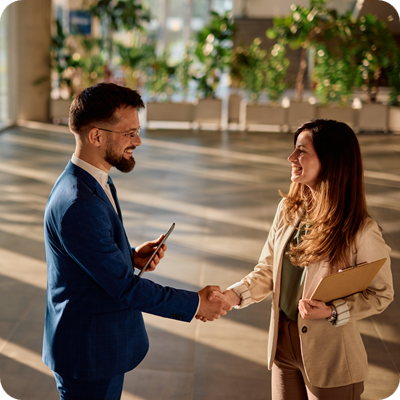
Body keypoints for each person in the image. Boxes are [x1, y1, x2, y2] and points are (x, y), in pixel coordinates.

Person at [42, 82, 232, 400]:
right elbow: (125, 289)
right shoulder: (79, 203)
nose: (138, 141)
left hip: (96, 342)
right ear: (96, 136)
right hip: (89, 353)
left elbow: (87, 257)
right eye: (129, 133)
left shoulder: (96, 180)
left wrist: (129, 256)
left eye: (137, 131)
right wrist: (196, 303)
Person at [203, 119, 394, 400]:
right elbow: (267, 269)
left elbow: (381, 294)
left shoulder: (361, 230)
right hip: (282, 347)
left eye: (302, 151)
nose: (291, 158)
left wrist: (332, 311)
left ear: (330, 160)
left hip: (332, 358)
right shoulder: (288, 210)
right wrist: (233, 295)